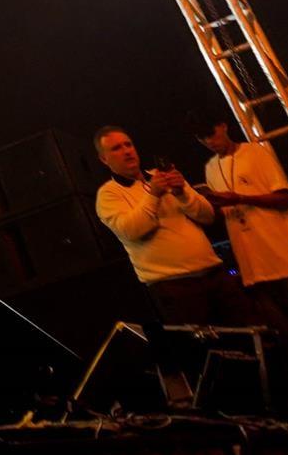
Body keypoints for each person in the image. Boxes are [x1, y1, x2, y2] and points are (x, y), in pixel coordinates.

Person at [191, 110, 288, 344]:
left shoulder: (255, 152)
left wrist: (241, 198)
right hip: (253, 264)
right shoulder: (210, 168)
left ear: (223, 126)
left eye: (211, 134)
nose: (210, 142)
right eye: (203, 139)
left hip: (285, 256)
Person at [92, 125, 253, 325]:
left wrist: (181, 193)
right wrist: (154, 195)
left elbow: (208, 216)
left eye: (128, 144)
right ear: (104, 159)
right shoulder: (109, 194)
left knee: (251, 332)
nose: (126, 151)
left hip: (214, 273)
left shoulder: (162, 176)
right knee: (210, 343)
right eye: (116, 148)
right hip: (175, 287)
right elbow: (131, 231)